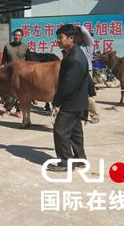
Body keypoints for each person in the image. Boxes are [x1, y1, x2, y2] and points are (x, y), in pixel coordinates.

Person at [48, 24, 90, 172]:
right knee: (75, 131)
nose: (58, 41)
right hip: (78, 101)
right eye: (57, 38)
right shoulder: (73, 54)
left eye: (61, 38)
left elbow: (68, 85)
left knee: (60, 130)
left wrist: (57, 100)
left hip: (71, 102)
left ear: (71, 38)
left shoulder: (75, 58)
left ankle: (66, 163)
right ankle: (80, 159)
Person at [1, 29, 29, 118]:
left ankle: (18, 110)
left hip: (22, 74)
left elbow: (28, 61)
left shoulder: (25, 47)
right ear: (13, 36)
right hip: (10, 73)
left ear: (22, 36)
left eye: (19, 35)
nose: (17, 36)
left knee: (21, 93)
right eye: (15, 35)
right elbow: (3, 61)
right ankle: (8, 110)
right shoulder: (7, 46)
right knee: (10, 92)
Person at [77, 26, 100, 124]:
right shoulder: (76, 46)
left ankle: (95, 115)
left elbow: (85, 32)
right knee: (78, 95)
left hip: (86, 72)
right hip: (77, 72)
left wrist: (78, 27)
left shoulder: (88, 45)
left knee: (88, 96)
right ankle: (82, 114)